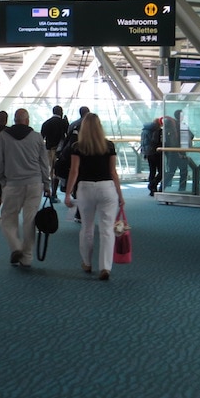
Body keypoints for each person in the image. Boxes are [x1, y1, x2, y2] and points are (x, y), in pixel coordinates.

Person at [64, 113, 125, 281]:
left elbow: (74, 171)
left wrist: (68, 193)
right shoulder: (109, 146)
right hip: (107, 188)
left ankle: (87, 262)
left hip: (85, 188)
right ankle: (105, 267)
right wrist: (120, 195)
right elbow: (113, 172)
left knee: (87, 228)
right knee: (107, 230)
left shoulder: (77, 147)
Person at [0, 108, 51, 268]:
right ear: (27, 120)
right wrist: (46, 184)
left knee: (7, 219)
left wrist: (1, 180)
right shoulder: (37, 137)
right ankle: (27, 257)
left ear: (14, 120)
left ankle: (16, 247)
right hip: (35, 183)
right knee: (29, 220)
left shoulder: (4, 136)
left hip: (12, 184)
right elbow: (44, 163)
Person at [40, 105, 69, 203]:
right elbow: (67, 136)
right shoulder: (63, 123)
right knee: (56, 172)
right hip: (60, 151)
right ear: (61, 112)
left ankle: (47, 190)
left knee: (50, 171)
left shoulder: (46, 123)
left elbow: (41, 138)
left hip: (48, 150)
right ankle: (54, 193)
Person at [163, 109, 194, 191]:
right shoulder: (182, 126)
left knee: (171, 171)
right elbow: (191, 135)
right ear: (181, 116)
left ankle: (162, 187)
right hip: (180, 151)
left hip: (171, 152)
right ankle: (182, 188)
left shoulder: (169, 126)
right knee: (183, 171)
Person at [141, 117, 163, 196]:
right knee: (161, 171)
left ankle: (152, 190)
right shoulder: (158, 130)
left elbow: (143, 142)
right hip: (156, 153)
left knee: (152, 171)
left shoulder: (145, 130)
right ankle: (152, 185)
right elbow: (156, 141)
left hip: (148, 153)